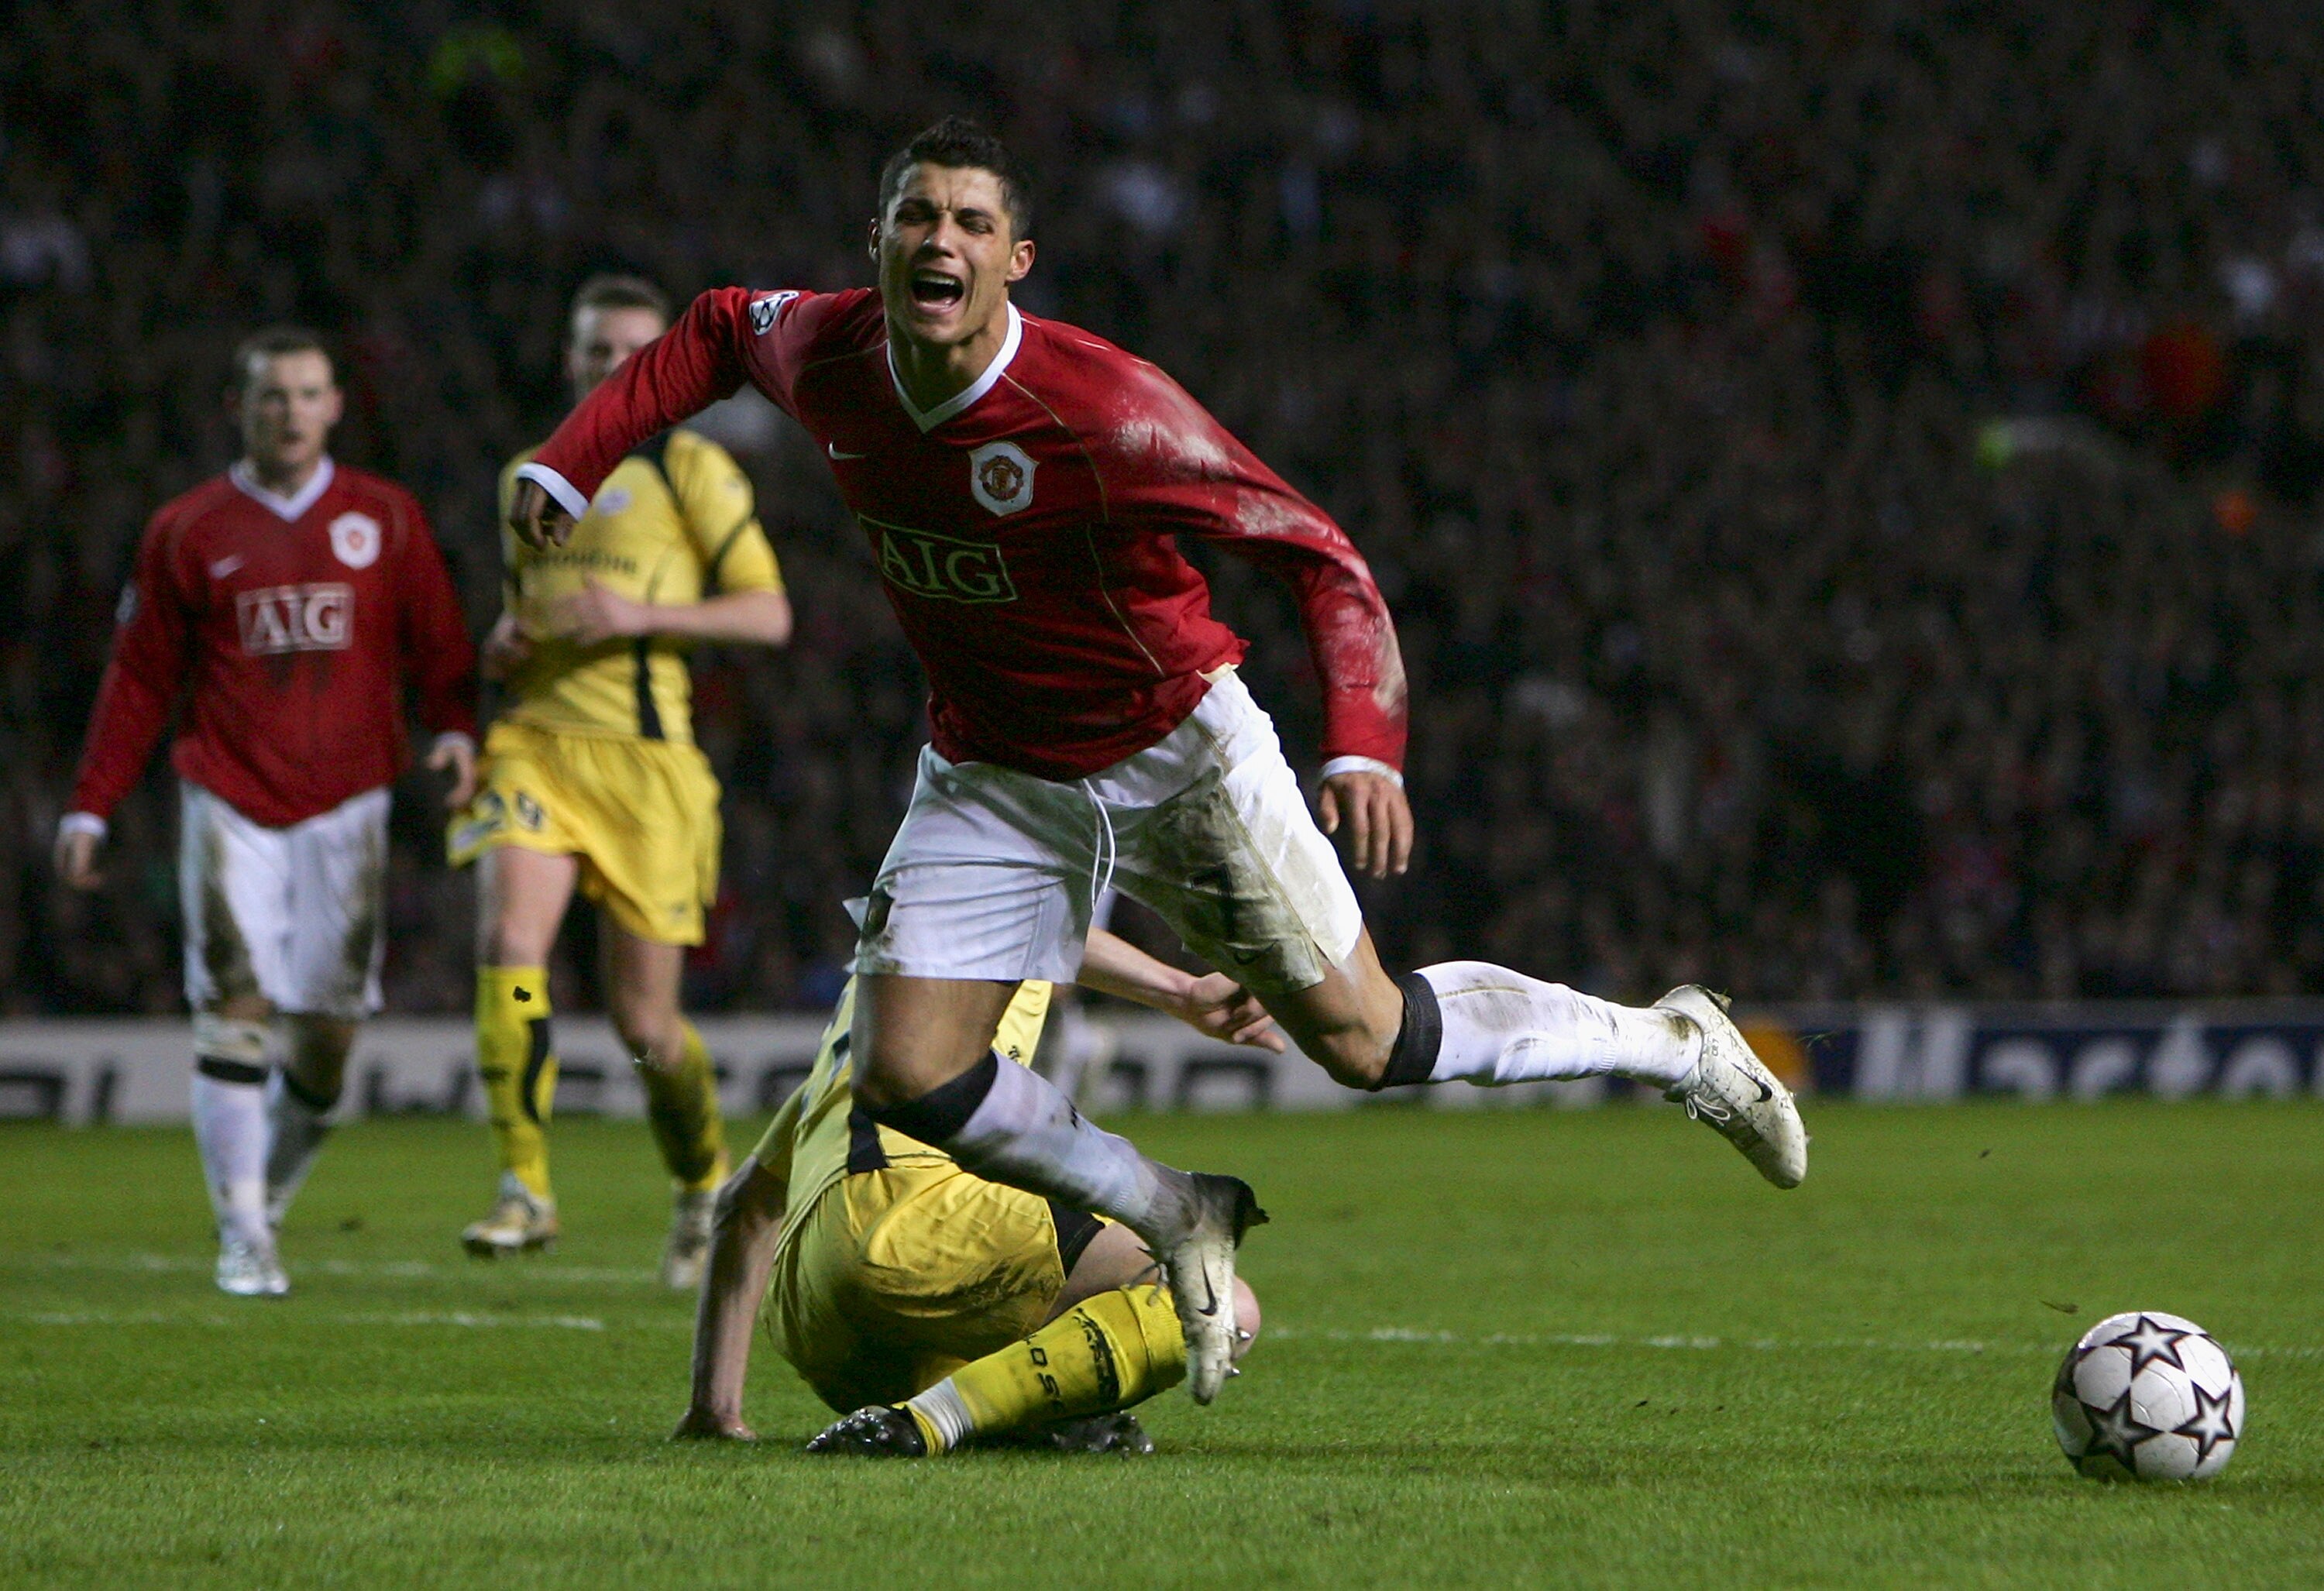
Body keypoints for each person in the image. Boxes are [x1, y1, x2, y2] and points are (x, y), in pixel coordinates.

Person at [506, 117, 1807, 1402]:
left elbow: (1319, 553)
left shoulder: (1100, 409)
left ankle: (1668, 1039)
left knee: (1365, 1037)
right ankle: (1173, 1205)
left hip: (1174, 750)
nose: (939, 239)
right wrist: (572, 463)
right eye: (917, 215)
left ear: (1019, 257)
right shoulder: (829, 351)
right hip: (992, 768)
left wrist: (1368, 743)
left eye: (971, 220)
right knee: (909, 1070)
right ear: (878, 239)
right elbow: (718, 326)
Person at [57, 328, 479, 1297]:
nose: (289, 411)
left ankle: (266, 1197)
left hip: (350, 805)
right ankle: (242, 1228)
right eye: (271, 396)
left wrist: (456, 731)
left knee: (327, 1040)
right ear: (238, 409)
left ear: (335, 405)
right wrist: (91, 806)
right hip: (229, 794)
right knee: (236, 1005)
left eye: (307, 393)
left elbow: (440, 648)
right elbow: (138, 680)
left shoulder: (385, 516)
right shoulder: (189, 529)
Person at [449, 274, 793, 1287]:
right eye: (597, 350)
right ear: (569, 360)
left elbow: (767, 616)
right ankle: (524, 1186)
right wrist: (506, 644)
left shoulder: (694, 471)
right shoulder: (528, 474)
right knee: (511, 944)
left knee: (646, 1026)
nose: (614, 369)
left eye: (637, 353)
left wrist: (641, 618)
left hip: (649, 771)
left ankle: (703, 1187)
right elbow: (522, 616)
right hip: (538, 746)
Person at [672, 921, 1278, 1455]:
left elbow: (743, 1207)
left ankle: (1021, 1416)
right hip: (905, 1231)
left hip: (821, 1335)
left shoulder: (869, 1035)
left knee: (1034, 1344)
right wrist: (1181, 988)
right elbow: (1042, 924)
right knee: (1225, 1305)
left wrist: (714, 1408)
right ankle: (934, 1423)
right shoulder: (969, 961)